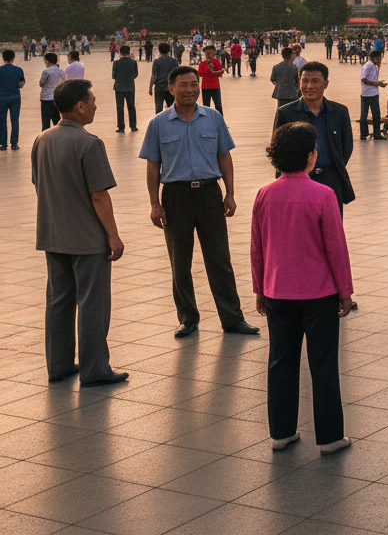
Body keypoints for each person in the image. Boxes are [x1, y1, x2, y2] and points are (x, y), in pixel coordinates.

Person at [252, 122, 354, 455]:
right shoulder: (323, 195)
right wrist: (345, 291)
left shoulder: (264, 194)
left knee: (281, 361)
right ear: (311, 157)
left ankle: (281, 432)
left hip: (277, 291)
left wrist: (259, 288)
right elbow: (335, 249)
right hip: (319, 293)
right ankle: (329, 437)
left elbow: (258, 247)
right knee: (323, 364)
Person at [139, 65, 260, 339]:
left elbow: (224, 157)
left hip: (209, 194)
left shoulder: (213, 118)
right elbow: (152, 166)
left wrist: (229, 193)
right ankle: (187, 318)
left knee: (220, 259)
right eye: (184, 85)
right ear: (171, 89)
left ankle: (232, 319)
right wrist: (154, 203)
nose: (191, 89)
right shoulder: (158, 123)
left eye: (194, 84)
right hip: (175, 196)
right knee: (179, 261)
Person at [32, 78, 127, 386]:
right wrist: (113, 235)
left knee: (59, 301)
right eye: (93, 100)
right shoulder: (90, 143)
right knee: (92, 303)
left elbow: (39, 183)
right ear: (80, 106)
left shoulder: (42, 138)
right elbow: (99, 195)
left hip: (53, 234)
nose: (96, 105)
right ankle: (95, 369)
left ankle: (58, 366)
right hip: (87, 239)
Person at [273, 62, 357, 218]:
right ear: (299, 82)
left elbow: (346, 146)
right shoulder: (286, 113)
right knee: (300, 231)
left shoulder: (339, 112)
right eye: (305, 81)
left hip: (331, 179)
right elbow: (278, 150)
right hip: (296, 182)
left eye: (315, 81)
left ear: (326, 84)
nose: (309, 86)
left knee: (331, 230)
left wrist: (331, 169)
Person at [358, 50, 388, 140]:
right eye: (378, 58)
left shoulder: (373, 66)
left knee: (372, 114)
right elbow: (363, 79)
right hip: (369, 93)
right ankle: (371, 133)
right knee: (371, 114)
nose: (379, 60)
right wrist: (377, 84)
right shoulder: (368, 65)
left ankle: (370, 133)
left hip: (371, 92)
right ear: (372, 58)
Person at [0, 49, 26, 150]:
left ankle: (3, 143)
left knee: (2, 120)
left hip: (1, 97)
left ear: (3, 58)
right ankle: (14, 143)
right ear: (13, 58)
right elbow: (21, 84)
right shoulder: (18, 70)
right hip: (15, 97)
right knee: (14, 120)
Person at [111, 44, 139, 133]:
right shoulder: (133, 62)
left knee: (120, 108)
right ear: (129, 52)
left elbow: (113, 76)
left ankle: (121, 127)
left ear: (120, 52)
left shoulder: (116, 63)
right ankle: (133, 126)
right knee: (131, 106)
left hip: (119, 87)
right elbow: (136, 74)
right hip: (130, 87)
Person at [39, 52, 66, 130]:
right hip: (56, 98)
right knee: (57, 121)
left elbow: (41, 83)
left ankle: (45, 140)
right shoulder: (61, 71)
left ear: (47, 61)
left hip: (46, 98)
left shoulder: (46, 71)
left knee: (45, 123)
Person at [149, 43, 177, 114]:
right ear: (169, 51)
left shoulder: (156, 61)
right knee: (172, 109)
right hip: (171, 88)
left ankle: (159, 124)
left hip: (159, 88)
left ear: (159, 51)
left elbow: (153, 75)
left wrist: (150, 88)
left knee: (158, 110)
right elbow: (177, 75)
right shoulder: (174, 61)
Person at [270, 47, 300, 112]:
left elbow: (272, 79)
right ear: (291, 55)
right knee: (292, 111)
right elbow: (297, 80)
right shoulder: (294, 67)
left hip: (280, 92)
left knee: (281, 111)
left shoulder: (276, 67)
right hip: (292, 93)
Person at [198, 45, 225, 115]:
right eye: (207, 53)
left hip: (215, 87)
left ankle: (220, 121)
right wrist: (208, 70)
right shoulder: (202, 64)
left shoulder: (216, 62)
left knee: (218, 105)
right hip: (205, 87)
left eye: (211, 53)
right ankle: (206, 121)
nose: (209, 55)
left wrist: (220, 71)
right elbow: (200, 74)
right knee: (206, 106)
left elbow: (219, 73)